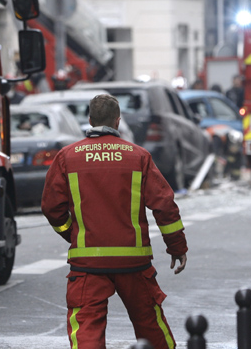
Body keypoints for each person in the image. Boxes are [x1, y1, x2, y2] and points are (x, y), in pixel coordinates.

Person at [42, 94, 188, 349]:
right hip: (133, 262)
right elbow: (164, 205)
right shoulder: (138, 157)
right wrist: (177, 247)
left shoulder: (67, 157)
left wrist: (71, 233)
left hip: (88, 264)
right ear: (118, 121)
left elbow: (51, 207)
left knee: (86, 329)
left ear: (89, 120)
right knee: (150, 325)